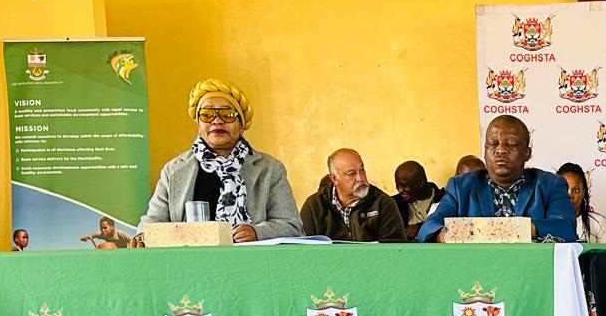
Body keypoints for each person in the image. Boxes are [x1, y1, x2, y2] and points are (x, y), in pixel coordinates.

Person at [138, 78, 301, 242]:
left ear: (241, 124)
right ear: (198, 124)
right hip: (188, 257)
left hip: (249, 256)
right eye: (207, 115)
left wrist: (258, 232)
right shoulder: (174, 171)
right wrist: (142, 236)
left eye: (227, 114)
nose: (217, 121)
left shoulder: (269, 169)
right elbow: (153, 222)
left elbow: (291, 225)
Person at [419, 117, 575, 242]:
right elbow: (428, 228)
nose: (500, 150)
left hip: (532, 267)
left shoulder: (550, 185)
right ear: (485, 151)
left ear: (527, 153)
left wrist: (514, 229)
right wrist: (447, 235)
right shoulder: (460, 187)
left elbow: (566, 228)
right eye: (493, 144)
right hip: (474, 268)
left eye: (511, 144)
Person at [300, 149, 406, 242]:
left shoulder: (383, 203)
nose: (360, 178)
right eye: (351, 174)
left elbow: (395, 251)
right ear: (334, 178)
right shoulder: (314, 206)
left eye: (362, 170)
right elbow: (302, 250)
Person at [557, 162, 606, 243]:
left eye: (576, 190)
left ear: (583, 193)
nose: (570, 195)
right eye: (564, 189)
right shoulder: (546, 223)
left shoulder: (598, 222)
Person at [393, 161, 443, 241]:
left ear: (420, 183)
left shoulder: (444, 199)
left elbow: (451, 225)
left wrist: (420, 227)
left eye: (404, 185)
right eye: (397, 185)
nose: (400, 190)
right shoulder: (394, 204)